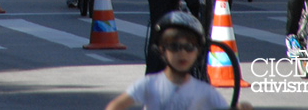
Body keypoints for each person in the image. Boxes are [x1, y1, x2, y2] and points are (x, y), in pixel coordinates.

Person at [106, 11, 252, 110]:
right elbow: (115, 107)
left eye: (189, 47)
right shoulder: (150, 84)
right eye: (174, 47)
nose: (182, 53)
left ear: (198, 52)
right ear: (162, 50)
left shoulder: (204, 91)